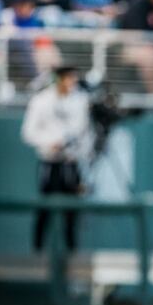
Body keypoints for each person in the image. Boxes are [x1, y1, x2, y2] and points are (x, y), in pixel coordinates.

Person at [21, 66, 92, 252]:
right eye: (68, 79)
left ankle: (72, 253)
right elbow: (28, 133)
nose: (72, 83)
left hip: (71, 162)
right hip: (50, 162)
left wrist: (77, 151)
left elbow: (84, 133)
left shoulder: (80, 101)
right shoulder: (42, 100)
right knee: (45, 208)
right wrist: (49, 142)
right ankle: (38, 251)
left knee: (72, 213)